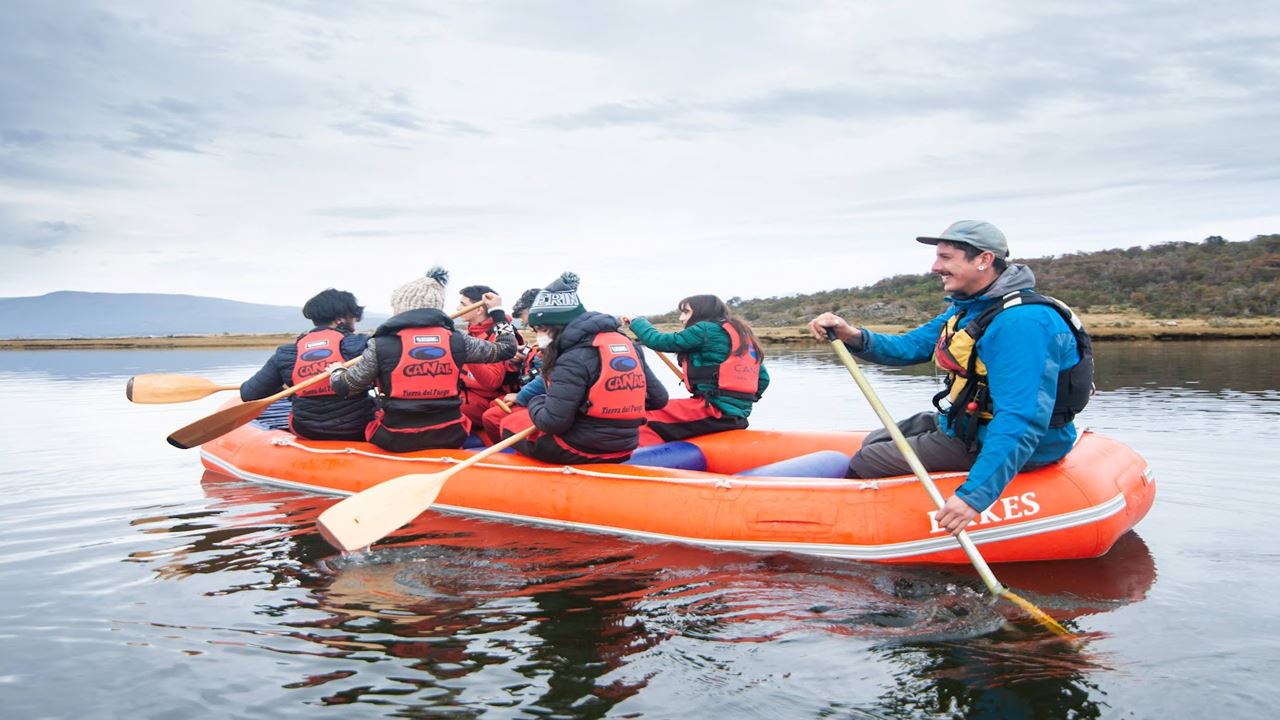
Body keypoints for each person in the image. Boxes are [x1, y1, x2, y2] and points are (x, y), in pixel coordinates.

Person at [808, 220, 1093, 535]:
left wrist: (974, 497)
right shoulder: (971, 309)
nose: (935, 267)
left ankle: (860, 529)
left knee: (869, 460)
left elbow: (1019, 419)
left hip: (1015, 441)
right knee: (876, 440)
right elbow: (910, 347)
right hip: (970, 424)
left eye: (946, 258)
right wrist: (852, 335)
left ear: (983, 260)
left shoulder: (1020, 322)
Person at [329, 267, 517, 452]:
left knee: (372, 414)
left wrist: (337, 371)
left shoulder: (380, 344)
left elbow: (346, 387)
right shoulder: (458, 340)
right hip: (451, 433)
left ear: (402, 308)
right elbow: (506, 348)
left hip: (396, 437)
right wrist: (498, 312)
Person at [500, 272, 669, 463]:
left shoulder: (570, 358)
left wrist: (536, 401)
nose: (539, 335)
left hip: (583, 448)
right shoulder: (626, 343)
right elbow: (659, 399)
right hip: (627, 444)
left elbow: (552, 423)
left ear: (556, 327)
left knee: (507, 422)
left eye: (541, 329)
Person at [621, 295, 770, 443]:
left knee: (640, 417)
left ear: (701, 313)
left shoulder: (704, 330)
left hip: (713, 411)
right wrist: (739, 404)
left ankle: (642, 461)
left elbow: (659, 341)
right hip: (737, 416)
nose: (681, 318)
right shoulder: (742, 337)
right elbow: (763, 378)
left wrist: (636, 321)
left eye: (686, 312)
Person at [239, 288, 375, 440]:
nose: (355, 322)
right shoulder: (362, 345)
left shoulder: (288, 353)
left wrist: (286, 386)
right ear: (340, 318)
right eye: (354, 317)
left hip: (307, 429)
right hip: (358, 427)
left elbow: (248, 394)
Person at [479, 287, 544, 444]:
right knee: (493, 409)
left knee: (492, 416)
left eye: (523, 316)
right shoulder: (552, 339)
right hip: (543, 398)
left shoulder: (558, 340)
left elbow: (507, 346)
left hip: (549, 404)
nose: (524, 324)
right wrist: (523, 359)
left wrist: (496, 311)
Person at [455, 283, 518, 439]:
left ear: (478, 309)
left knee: (444, 409)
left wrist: (468, 352)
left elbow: (492, 382)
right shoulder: (470, 333)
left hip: (490, 399)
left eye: (463, 304)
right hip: (466, 392)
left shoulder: (502, 334)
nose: (457, 308)